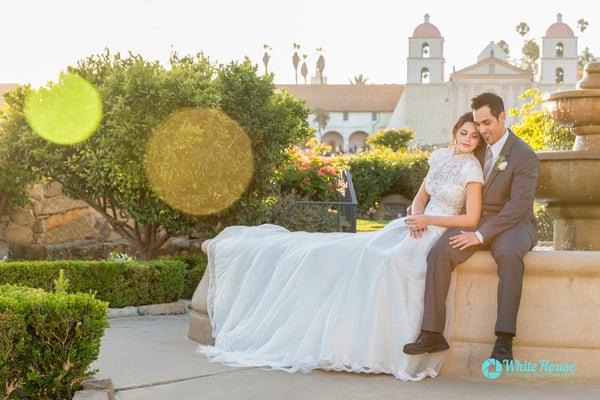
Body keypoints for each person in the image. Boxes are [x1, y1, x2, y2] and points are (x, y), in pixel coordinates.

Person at [197, 112, 485, 381]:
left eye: (474, 136)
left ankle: (378, 346)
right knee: (360, 251)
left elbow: (470, 217)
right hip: (415, 224)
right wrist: (414, 216)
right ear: (455, 132)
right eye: (464, 132)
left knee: (386, 261)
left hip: (436, 230)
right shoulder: (440, 157)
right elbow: (421, 195)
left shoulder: (472, 169)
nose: (467, 139)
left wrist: (427, 220)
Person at [403, 93, 539, 363]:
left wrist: (479, 235)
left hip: (514, 224)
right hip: (477, 220)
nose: (482, 130)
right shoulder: (476, 145)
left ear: (503, 117)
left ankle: (503, 340)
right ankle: (432, 333)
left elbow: (518, 206)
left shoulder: (525, 155)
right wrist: (420, 209)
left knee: (510, 255)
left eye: (487, 123)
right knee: (440, 252)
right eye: (478, 124)